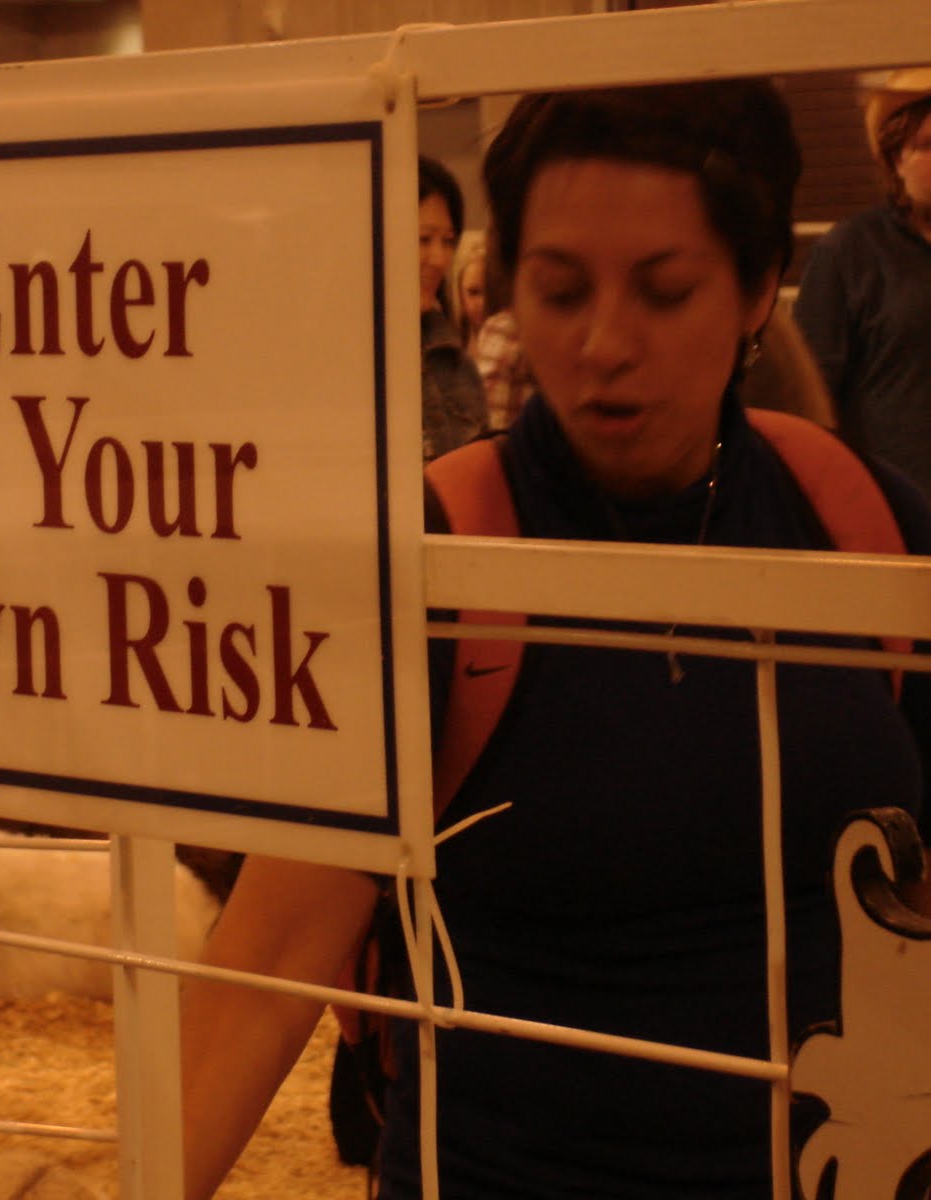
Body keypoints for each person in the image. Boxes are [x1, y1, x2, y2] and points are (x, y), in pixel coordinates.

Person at [182, 79, 931, 1200]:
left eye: (665, 291)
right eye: (558, 288)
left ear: (758, 290)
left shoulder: (859, 524)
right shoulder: (436, 561)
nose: (602, 344)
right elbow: (268, 962)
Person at [793, 68, 931, 498]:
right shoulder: (851, 251)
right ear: (895, 159)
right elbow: (809, 396)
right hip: (893, 509)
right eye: (928, 147)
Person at [417, 156, 487, 462]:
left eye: (447, 242)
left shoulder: (457, 366)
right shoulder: (343, 363)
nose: (439, 259)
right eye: (423, 239)